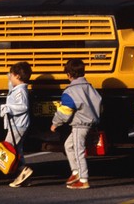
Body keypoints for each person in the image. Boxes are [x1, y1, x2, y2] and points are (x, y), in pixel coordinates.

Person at [50, 59, 102, 190]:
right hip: (90, 123)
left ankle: (83, 179)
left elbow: (65, 111)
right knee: (68, 145)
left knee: (79, 150)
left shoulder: (71, 91)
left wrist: (55, 123)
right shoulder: (90, 88)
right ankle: (75, 171)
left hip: (80, 124)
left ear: (68, 74)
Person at [1, 61, 34, 187]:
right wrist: (9, 74)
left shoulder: (20, 91)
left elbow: (23, 106)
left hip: (18, 125)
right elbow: (11, 84)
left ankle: (22, 171)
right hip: (17, 125)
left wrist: (8, 108)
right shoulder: (17, 89)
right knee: (17, 149)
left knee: (8, 149)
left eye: (12, 75)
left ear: (18, 77)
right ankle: (24, 177)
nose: (10, 77)